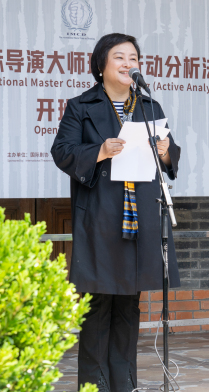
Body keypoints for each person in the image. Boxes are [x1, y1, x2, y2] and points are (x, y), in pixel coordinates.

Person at [51, 33, 181, 392]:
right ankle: (94, 386)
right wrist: (100, 151)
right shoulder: (81, 106)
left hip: (139, 217)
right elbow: (62, 151)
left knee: (128, 305)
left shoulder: (150, 107)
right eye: (119, 57)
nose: (128, 64)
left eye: (133, 58)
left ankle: (125, 384)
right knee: (97, 305)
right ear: (101, 65)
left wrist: (166, 151)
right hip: (101, 217)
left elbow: (170, 157)